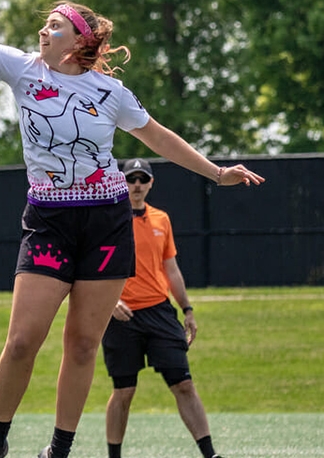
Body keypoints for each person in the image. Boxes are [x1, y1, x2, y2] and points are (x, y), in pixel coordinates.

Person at [0, 0, 263, 458]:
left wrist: (217, 172)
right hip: (49, 220)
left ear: (79, 39)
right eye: (44, 25)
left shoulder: (111, 91)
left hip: (105, 222)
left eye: (54, 25)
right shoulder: (23, 71)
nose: (43, 31)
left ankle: (59, 449)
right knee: (21, 341)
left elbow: (159, 137)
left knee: (80, 346)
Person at [102, 158, 222, 458]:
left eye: (143, 179)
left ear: (151, 183)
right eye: (131, 179)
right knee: (124, 391)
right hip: (120, 316)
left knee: (183, 384)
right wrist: (109, 301)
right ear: (122, 182)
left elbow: (171, 268)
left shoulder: (161, 220)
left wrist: (188, 309)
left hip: (159, 311)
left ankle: (210, 454)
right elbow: (92, 265)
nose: (137, 185)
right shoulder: (108, 218)